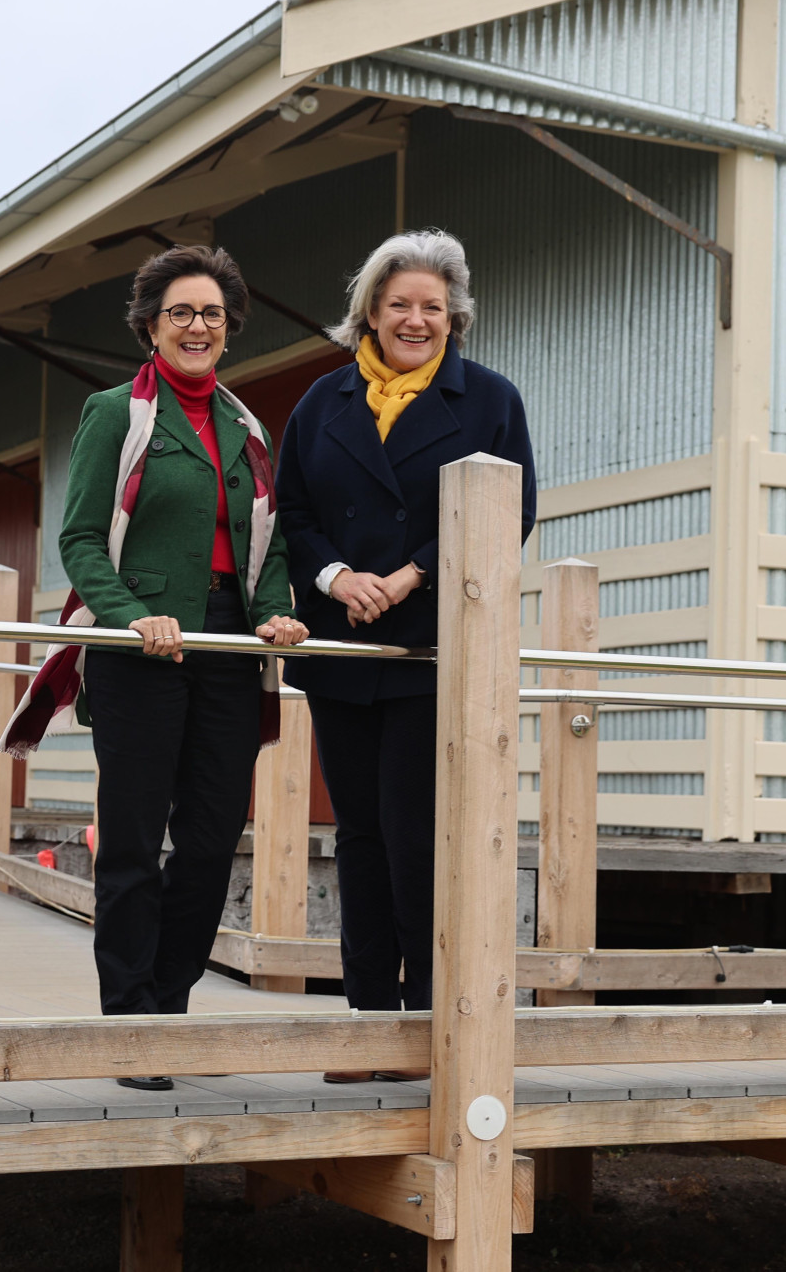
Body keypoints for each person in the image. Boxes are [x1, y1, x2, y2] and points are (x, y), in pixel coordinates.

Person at [39, 244, 308, 1089]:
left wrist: (271, 609)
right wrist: (127, 617)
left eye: (212, 315)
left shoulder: (247, 429)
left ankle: (169, 1005)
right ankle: (131, 1025)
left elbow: (267, 542)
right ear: (152, 326)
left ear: (229, 331)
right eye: (181, 313)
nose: (198, 326)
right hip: (138, 649)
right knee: (130, 839)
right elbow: (81, 536)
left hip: (226, 651)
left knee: (209, 837)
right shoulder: (115, 412)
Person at [274, 229, 536, 1082]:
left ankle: (425, 1028)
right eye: (400, 306)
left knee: (416, 836)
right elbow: (296, 512)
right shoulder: (321, 401)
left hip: (428, 650)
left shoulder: (491, 400)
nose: (416, 319)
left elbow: (514, 508)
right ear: (371, 314)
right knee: (356, 836)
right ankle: (365, 1025)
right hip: (346, 646)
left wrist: (412, 572)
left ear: (454, 315)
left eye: (432, 306)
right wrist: (339, 574)